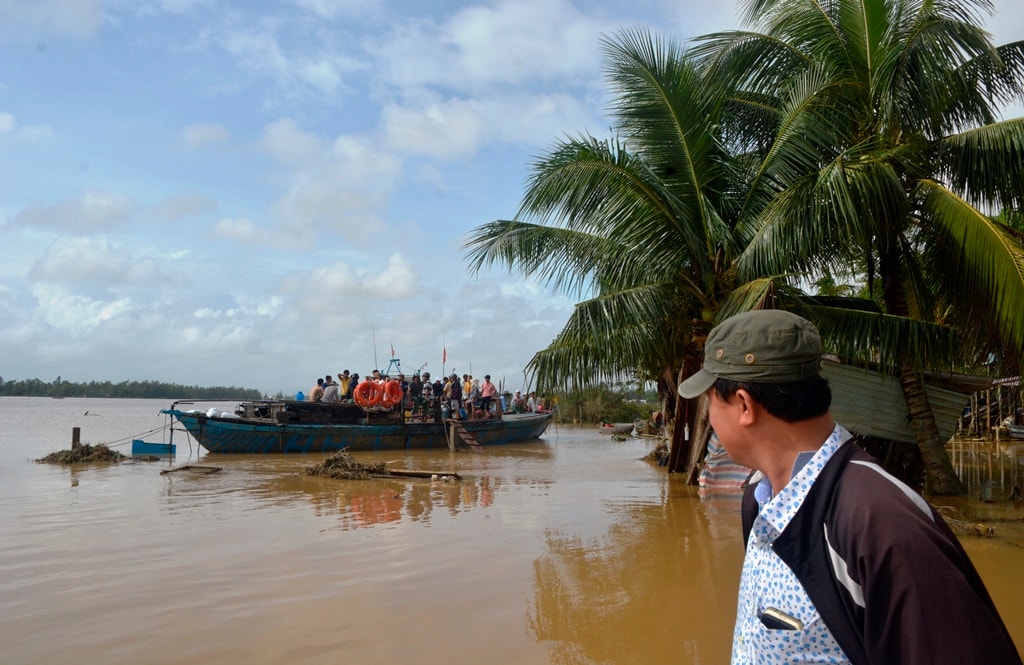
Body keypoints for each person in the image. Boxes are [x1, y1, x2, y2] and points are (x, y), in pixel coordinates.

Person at [677, 309, 1020, 665]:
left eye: (711, 399)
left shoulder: (878, 522)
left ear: (744, 405)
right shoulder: (758, 500)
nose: (709, 416)